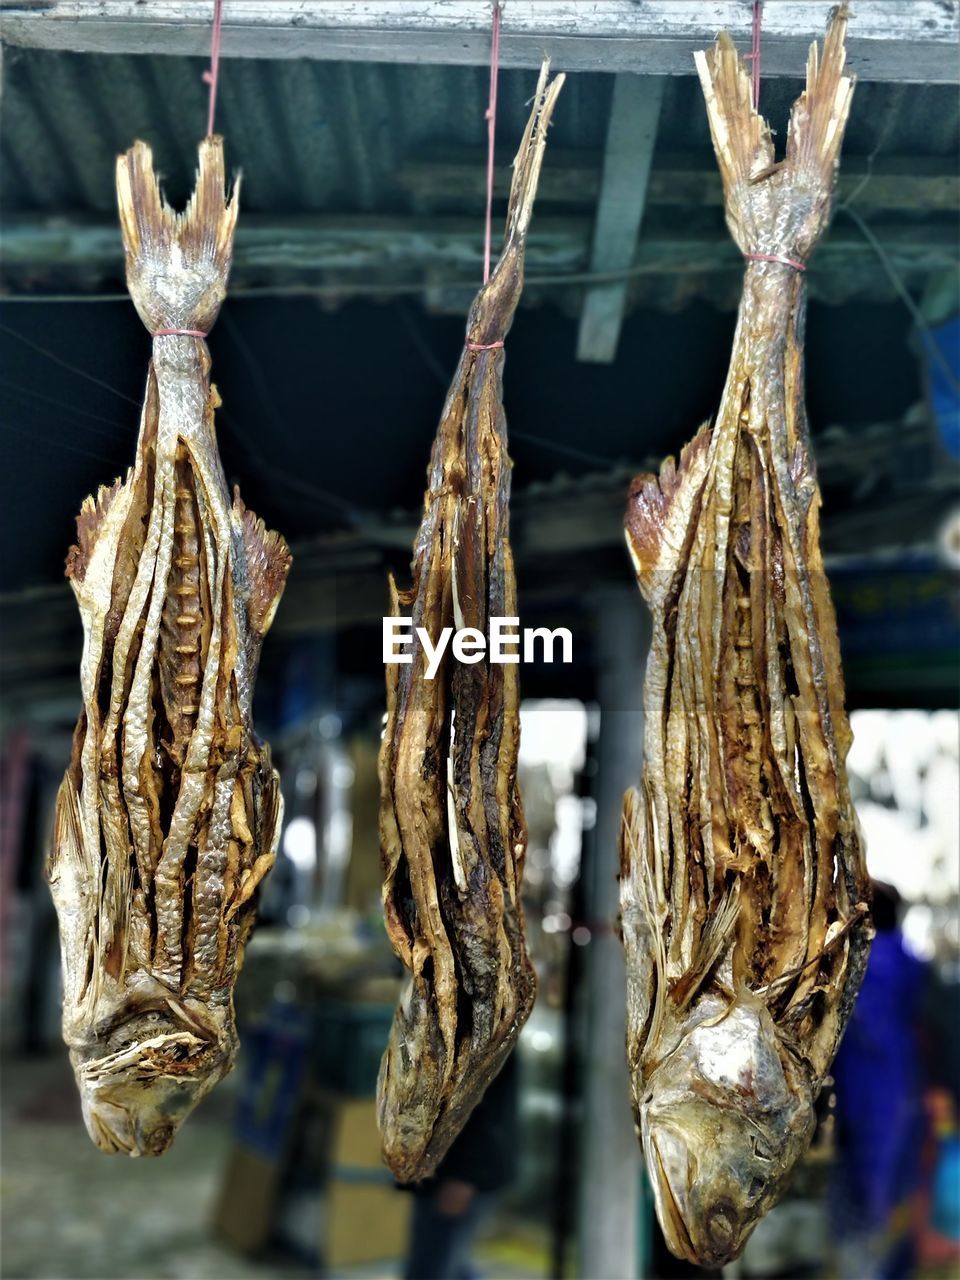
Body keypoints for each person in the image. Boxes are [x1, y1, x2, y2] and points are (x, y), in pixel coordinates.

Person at [830, 881, 928, 1280]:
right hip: (903, 1096)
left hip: (869, 1102)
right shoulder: (910, 962)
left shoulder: (863, 968)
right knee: (893, 1201)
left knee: (868, 1209)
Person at [403, 1052, 519, 1280]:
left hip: (457, 1172)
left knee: (434, 1266)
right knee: (445, 1262)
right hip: (438, 1167)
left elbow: (488, 1106)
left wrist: (465, 1176)